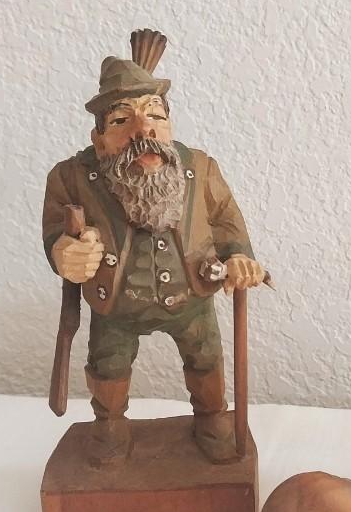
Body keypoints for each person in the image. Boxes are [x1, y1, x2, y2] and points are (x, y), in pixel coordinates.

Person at [42, 30, 265, 465]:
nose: (143, 130)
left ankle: (211, 418)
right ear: (98, 138)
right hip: (115, 303)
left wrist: (240, 256)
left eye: (155, 115)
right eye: (121, 121)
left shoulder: (200, 168)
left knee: (205, 356)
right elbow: (56, 230)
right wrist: (63, 251)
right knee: (108, 365)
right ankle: (109, 427)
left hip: (192, 296)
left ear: (169, 124)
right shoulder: (71, 177)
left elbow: (225, 221)